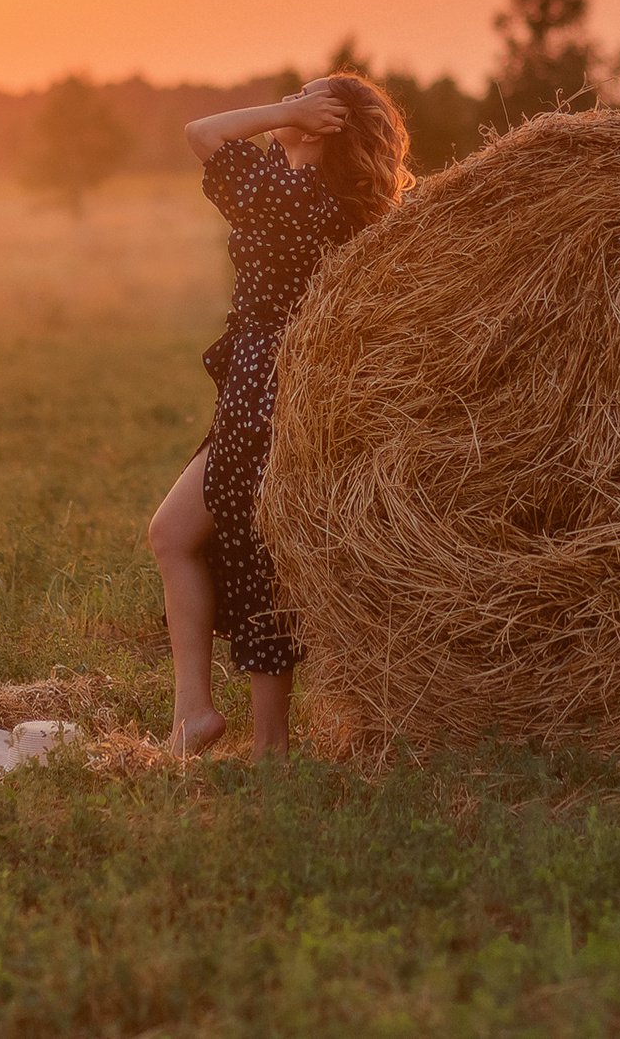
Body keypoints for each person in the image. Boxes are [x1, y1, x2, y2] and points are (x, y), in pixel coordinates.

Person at [146, 74, 414, 757]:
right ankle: (194, 714)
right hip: (259, 387)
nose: (293, 99)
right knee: (175, 533)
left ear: (326, 125)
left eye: (307, 95)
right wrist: (294, 119)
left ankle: (268, 747)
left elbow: (201, 133)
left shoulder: (300, 198)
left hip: (269, 394)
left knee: (255, 552)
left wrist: (286, 112)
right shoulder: (298, 188)